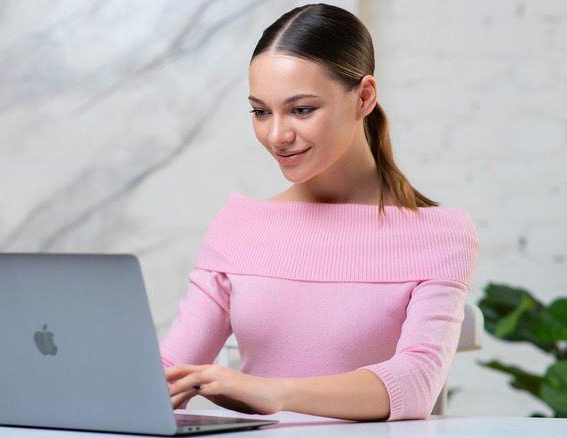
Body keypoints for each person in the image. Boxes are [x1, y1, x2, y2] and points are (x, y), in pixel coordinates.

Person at [159, 3, 479, 422]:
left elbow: (416, 383)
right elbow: (169, 372)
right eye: (260, 111)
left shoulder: (441, 233)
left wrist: (273, 393)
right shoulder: (239, 225)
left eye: (302, 109)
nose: (277, 135)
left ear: (364, 97)